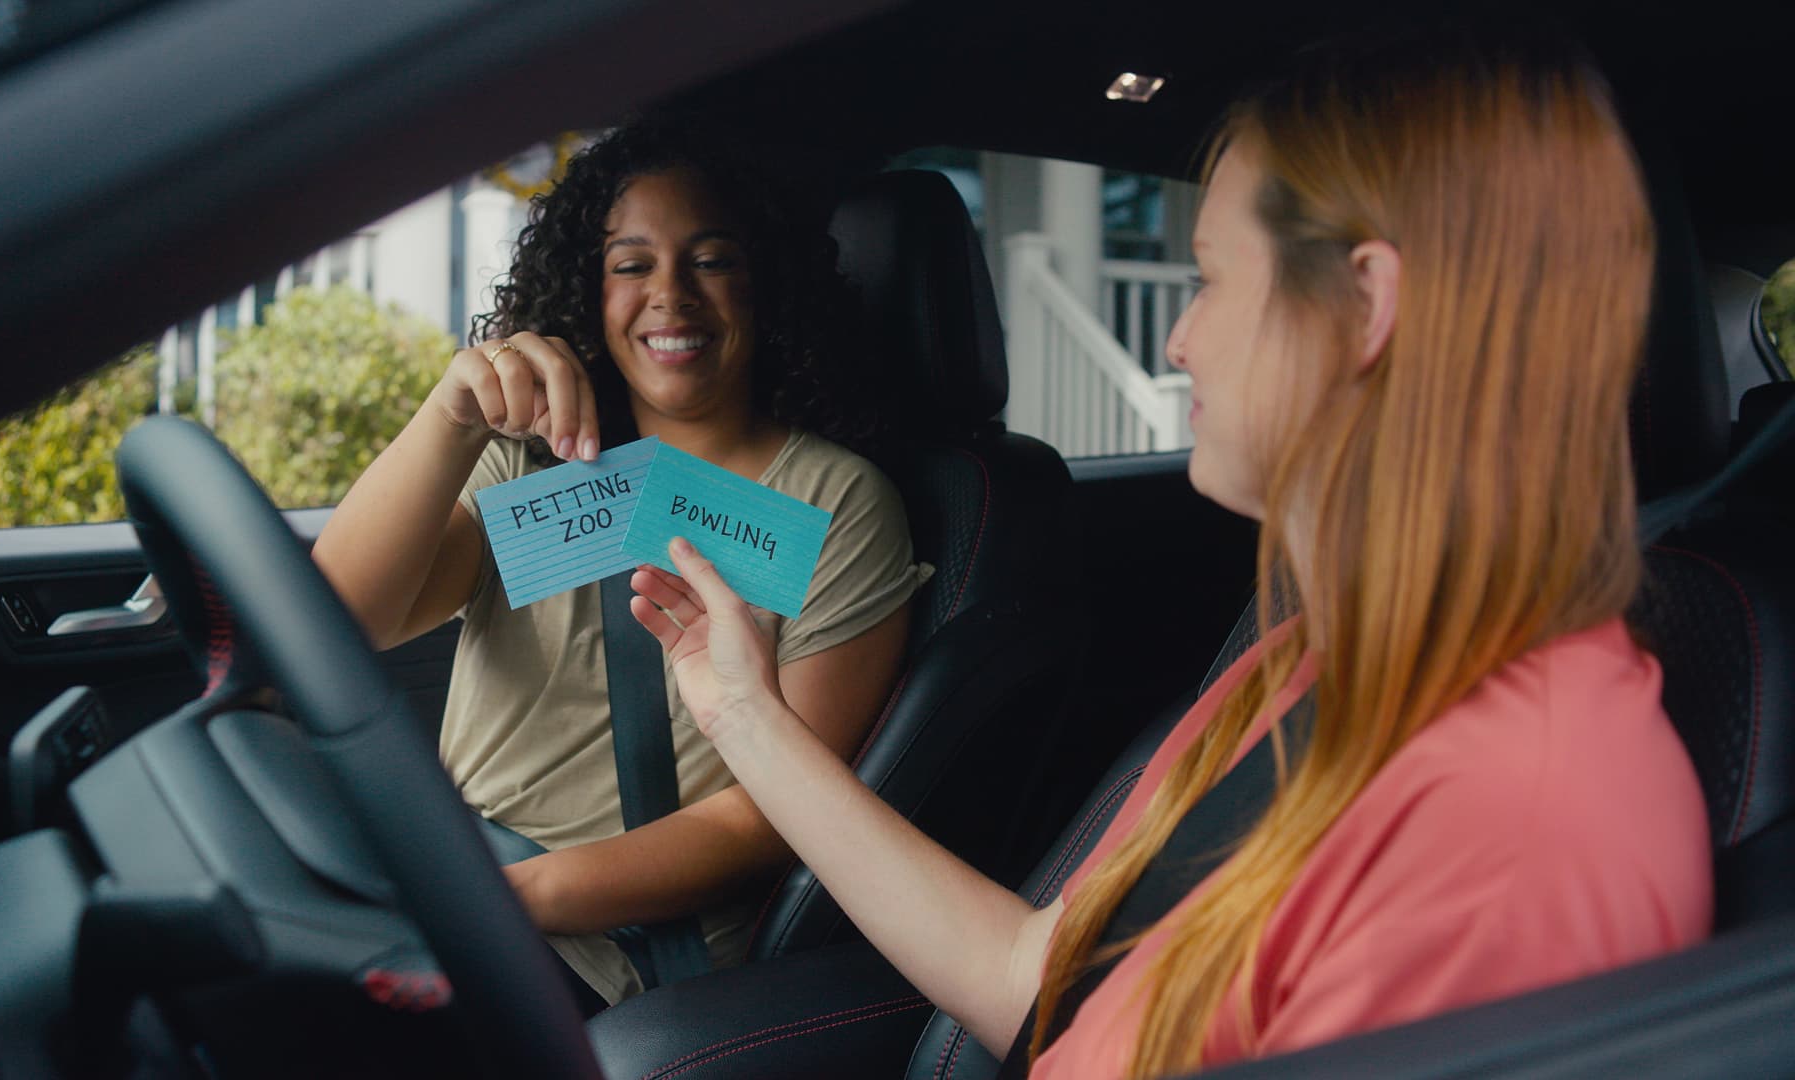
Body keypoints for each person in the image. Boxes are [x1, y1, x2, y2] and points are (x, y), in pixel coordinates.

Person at [628, 29, 1714, 1077]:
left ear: (1366, 304)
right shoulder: (1314, 666)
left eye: (1207, 277)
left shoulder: (1516, 831)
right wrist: (743, 715)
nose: (1179, 338)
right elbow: (1038, 978)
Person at [312, 119, 930, 1012]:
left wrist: (520, 898)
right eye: (631, 265)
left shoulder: (834, 502)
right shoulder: (526, 455)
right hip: (459, 866)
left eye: (712, 261)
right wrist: (449, 418)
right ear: (586, 291)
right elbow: (343, 621)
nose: (670, 295)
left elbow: (771, 818)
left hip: (621, 947)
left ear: (766, 286)